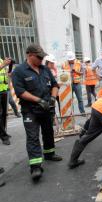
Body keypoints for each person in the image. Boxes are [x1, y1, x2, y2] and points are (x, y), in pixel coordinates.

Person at [12, 44, 62, 181]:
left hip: (46, 109)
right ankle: (35, 167)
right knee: (33, 136)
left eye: (42, 57)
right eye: (39, 57)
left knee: (48, 132)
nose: (41, 59)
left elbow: (54, 85)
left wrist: (52, 98)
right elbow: (20, 92)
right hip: (30, 110)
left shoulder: (45, 69)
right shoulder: (19, 71)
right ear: (29, 55)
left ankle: (49, 153)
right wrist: (39, 100)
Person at [0, 58, 13, 145]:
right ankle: (3, 136)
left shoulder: (1, 59)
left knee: (4, 114)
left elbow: (4, 74)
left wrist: (9, 73)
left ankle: (3, 131)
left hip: (4, 90)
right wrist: (3, 65)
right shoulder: (2, 62)